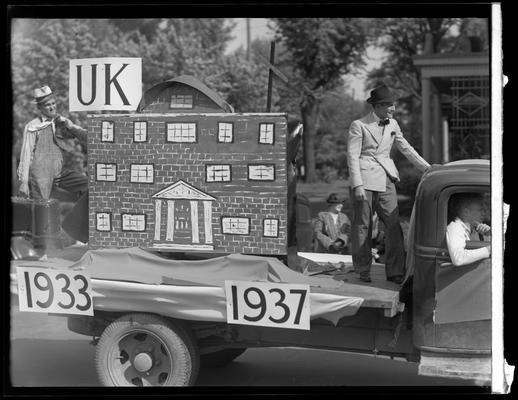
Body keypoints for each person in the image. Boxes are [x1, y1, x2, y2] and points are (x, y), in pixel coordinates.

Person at [347, 84, 430, 283]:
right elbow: (352, 155)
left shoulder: (393, 124)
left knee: (393, 224)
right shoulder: (359, 125)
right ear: (376, 106)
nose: (392, 108)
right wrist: (357, 185)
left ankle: (395, 271)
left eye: (393, 104)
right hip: (365, 181)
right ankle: (362, 269)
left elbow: (406, 148)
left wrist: (427, 167)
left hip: (387, 179)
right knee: (363, 226)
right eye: (388, 105)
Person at [17, 85, 89, 242]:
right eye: (47, 105)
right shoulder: (32, 126)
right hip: (40, 174)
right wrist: (23, 182)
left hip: (59, 172)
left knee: (89, 185)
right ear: (40, 108)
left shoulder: (61, 123)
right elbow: (26, 153)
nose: (51, 107)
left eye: (53, 103)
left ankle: (75, 230)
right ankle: (41, 250)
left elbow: (86, 137)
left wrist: (71, 125)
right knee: (42, 211)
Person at [446, 193, 491, 266]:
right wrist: (489, 250)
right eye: (480, 210)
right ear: (466, 212)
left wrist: (489, 234)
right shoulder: (455, 227)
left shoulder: (474, 229)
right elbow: (458, 258)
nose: (483, 214)